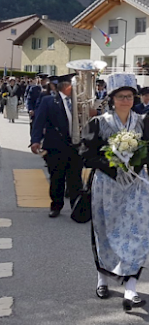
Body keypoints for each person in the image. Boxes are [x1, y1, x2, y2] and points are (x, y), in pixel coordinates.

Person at [79, 72, 149, 310]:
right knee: (106, 234)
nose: (126, 100)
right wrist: (111, 165)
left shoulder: (143, 122)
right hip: (107, 187)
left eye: (130, 96)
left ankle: (131, 289)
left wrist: (136, 164)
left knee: (138, 234)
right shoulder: (99, 122)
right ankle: (102, 278)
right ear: (112, 98)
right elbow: (85, 154)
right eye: (121, 96)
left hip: (136, 187)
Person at [29, 74, 83, 218]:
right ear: (66, 87)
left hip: (75, 146)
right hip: (56, 145)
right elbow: (38, 122)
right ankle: (56, 206)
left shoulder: (79, 101)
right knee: (57, 178)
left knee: (75, 179)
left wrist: (93, 113)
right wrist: (35, 140)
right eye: (74, 85)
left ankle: (76, 206)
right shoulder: (49, 101)